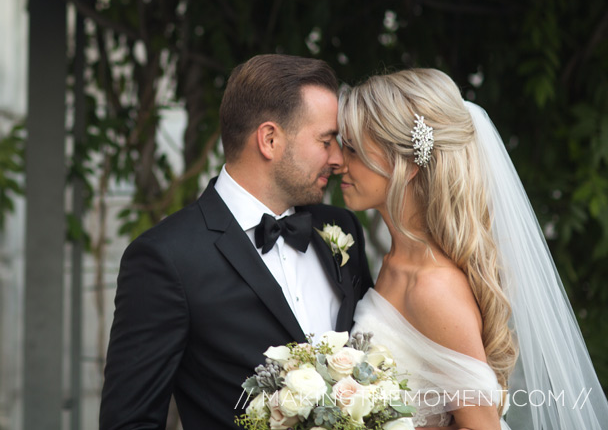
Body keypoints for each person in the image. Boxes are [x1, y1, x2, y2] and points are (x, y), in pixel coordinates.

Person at [100, 54, 374, 430]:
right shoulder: (167, 258)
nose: (339, 159)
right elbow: (129, 421)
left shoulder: (342, 231)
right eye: (326, 141)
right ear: (270, 139)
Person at [339, 68, 608, 430]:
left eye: (353, 149)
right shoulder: (396, 262)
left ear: (407, 163)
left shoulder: (433, 288)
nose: (339, 160)